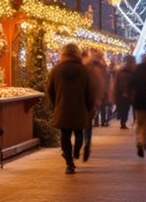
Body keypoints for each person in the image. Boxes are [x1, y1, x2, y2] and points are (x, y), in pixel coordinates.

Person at [46, 43, 95, 174]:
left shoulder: (56, 70)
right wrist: (90, 107)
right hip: (80, 108)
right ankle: (76, 152)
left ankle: (69, 163)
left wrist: (55, 104)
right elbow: (89, 91)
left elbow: (50, 90)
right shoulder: (84, 70)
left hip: (62, 107)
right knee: (79, 133)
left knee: (65, 135)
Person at [82, 49, 109, 161]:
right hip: (93, 100)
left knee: (82, 123)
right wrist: (99, 97)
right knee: (88, 124)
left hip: (81, 99)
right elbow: (102, 84)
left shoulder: (83, 68)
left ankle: (82, 142)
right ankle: (87, 142)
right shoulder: (101, 69)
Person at [114, 56, 136, 129]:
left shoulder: (120, 72)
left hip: (121, 92)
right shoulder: (134, 71)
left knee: (124, 108)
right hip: (130, 93)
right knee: (131, 108)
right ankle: (133, 121)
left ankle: (123, 122)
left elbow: (117, 83)